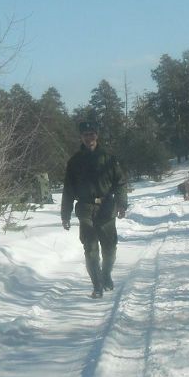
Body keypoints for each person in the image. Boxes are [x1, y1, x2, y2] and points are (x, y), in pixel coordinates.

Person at [61, 121, 127, 298]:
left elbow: (120, 182)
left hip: (106, 208)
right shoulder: (74, 162)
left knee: (110, 249)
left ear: (96, 135)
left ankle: (106, 274)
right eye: (85, 134)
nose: (89, 137)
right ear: (81, 137)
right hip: (85, 209)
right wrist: (65, 215)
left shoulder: (108, 158)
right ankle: (97, 285)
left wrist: (122, 204)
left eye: (92, 134)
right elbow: (68, 189)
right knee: (90, 250)